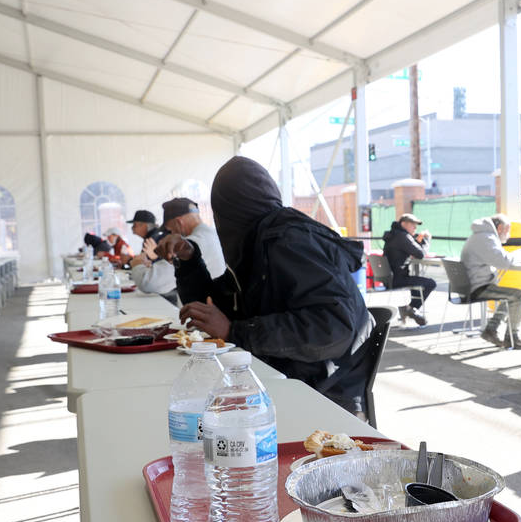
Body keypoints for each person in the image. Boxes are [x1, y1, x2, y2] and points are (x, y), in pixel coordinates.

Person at [157, 156, 375, 417]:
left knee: (190, 414)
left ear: (230, 214)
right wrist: (190, 260)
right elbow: (214, 308)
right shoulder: (257, 247)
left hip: (324, 395)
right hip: (288, 379)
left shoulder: (289, 243)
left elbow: (333, 328)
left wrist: (235, 331)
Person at [459, 214, 521, 349]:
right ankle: (512, 337)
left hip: (471, 285)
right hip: (478, 288)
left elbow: (499, 258)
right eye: (508, 230)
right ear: (500, 228)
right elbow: (503, 261)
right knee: (518, 296)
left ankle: (491, 330)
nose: (508, 235)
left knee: (509, 296)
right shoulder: (486, 238)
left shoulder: (480, 235)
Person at [381, 213, 435, 326]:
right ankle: (411, 309)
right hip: (398, 279)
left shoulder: (393, 235)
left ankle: (408, 310)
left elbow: (408, 249)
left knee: (416, 282)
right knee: (430, 283)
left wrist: (417, 242)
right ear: (404, 224)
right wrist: (426, 240)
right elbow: (420, 254)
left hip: (389, 278)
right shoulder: (402, 236)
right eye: (413, 225)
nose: (415, 228)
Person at [162, 197, 225, 280]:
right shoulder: (215, 234)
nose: (172, 234)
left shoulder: (189, 245)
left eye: (171, 230)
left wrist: (139, 263)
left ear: (179, 222)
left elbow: (151, 282)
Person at [125, 210, 177, 303]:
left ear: (144, 225)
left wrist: (153, 259)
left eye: (134, 225)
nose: (132, 229)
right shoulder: (154, 236)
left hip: (165, 293)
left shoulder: (154, 238)